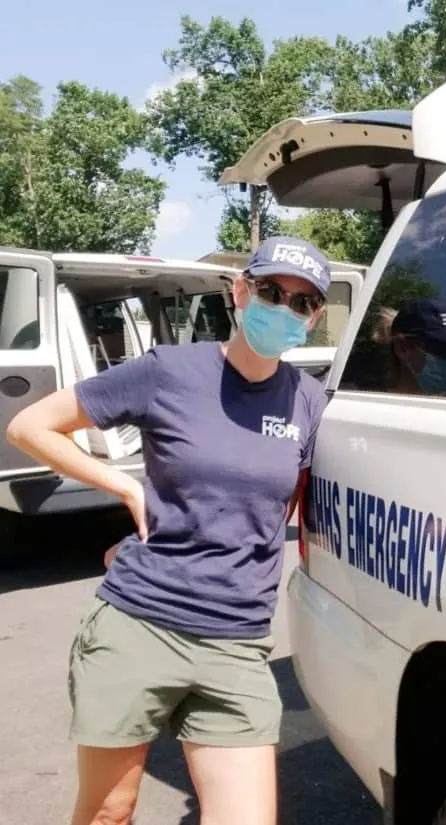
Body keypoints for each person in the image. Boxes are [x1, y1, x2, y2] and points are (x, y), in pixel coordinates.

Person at [6, 236, 332, 825]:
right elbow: (31, 427)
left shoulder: (308, 402)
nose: (285, 308)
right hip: (141, 623)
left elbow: (280, 509)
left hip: (237, 641)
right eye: (271, 291)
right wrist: (125, 487)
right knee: (110, 812)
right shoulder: (169, 371)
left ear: (315, 317)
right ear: (239, 291)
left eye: (303, 302)